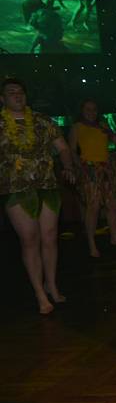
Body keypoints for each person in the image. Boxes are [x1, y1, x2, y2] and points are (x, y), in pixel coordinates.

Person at [0, 78, 75, 314]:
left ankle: (51, 285)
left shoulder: (43, 120)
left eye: (20, 91)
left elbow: (63, 148)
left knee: (50, 237)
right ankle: (39, 293)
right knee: (30, 239)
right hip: (15, 188)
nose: (17, 95)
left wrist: (68, 167)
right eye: (11, 93)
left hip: (47, 184)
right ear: (2, 99)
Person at [69, 99, 116, 257]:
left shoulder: (102, 125)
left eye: (94, 109)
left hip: (107, 168)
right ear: (82, 110)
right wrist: (80, 168)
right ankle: (92, 244)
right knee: (93, 206)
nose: (91, 112)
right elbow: (72, 151)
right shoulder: (77, 127)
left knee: (113, 204)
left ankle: (115, 238)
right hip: (89, 168)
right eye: (88, 109)